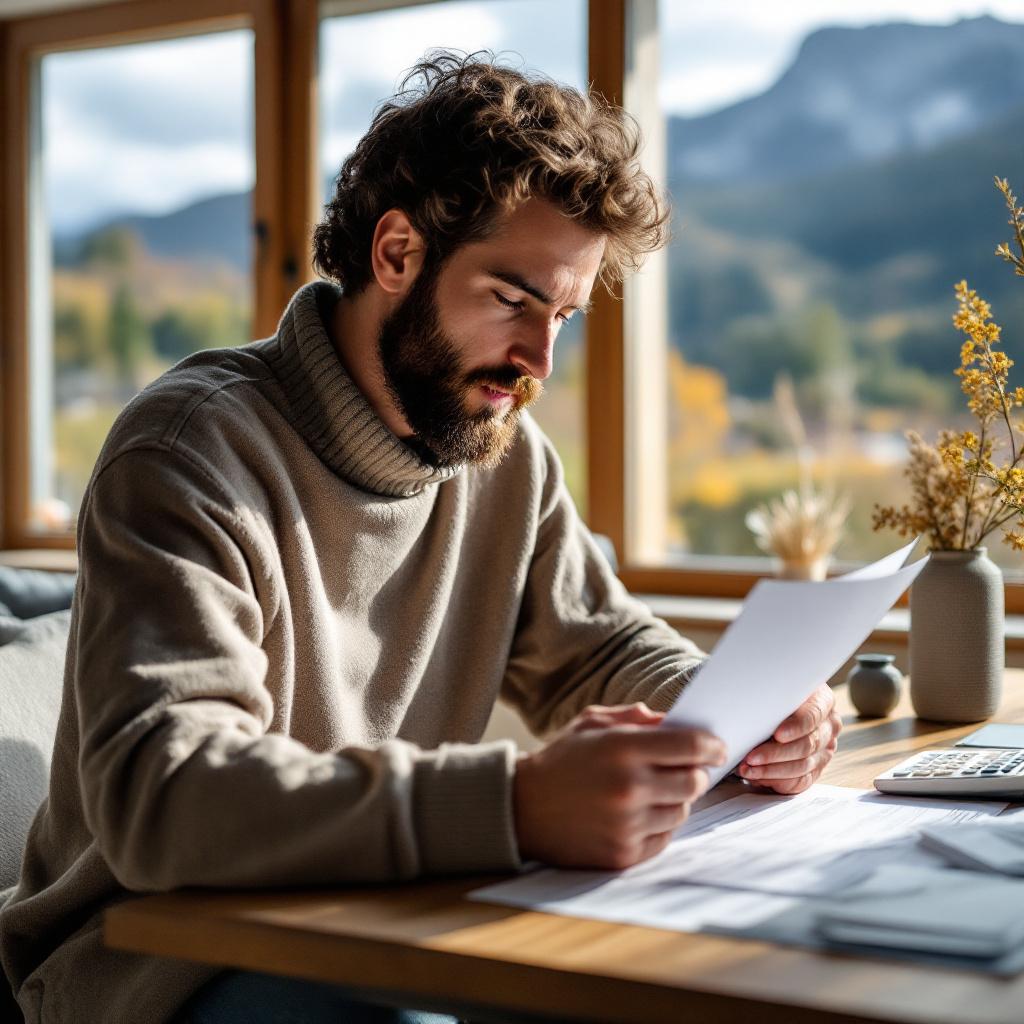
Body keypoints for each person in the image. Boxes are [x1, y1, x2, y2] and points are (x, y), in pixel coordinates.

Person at [0, 52, 841, 1024]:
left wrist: (737, 706)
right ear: (396, 253)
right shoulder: (190, 451)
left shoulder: (500, 455)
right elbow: (167, 797)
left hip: (375, 921)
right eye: (513, 301)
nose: (536, 363)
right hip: (153, 960)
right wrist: (516, 803)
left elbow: (595, 642)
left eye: (562, 315)